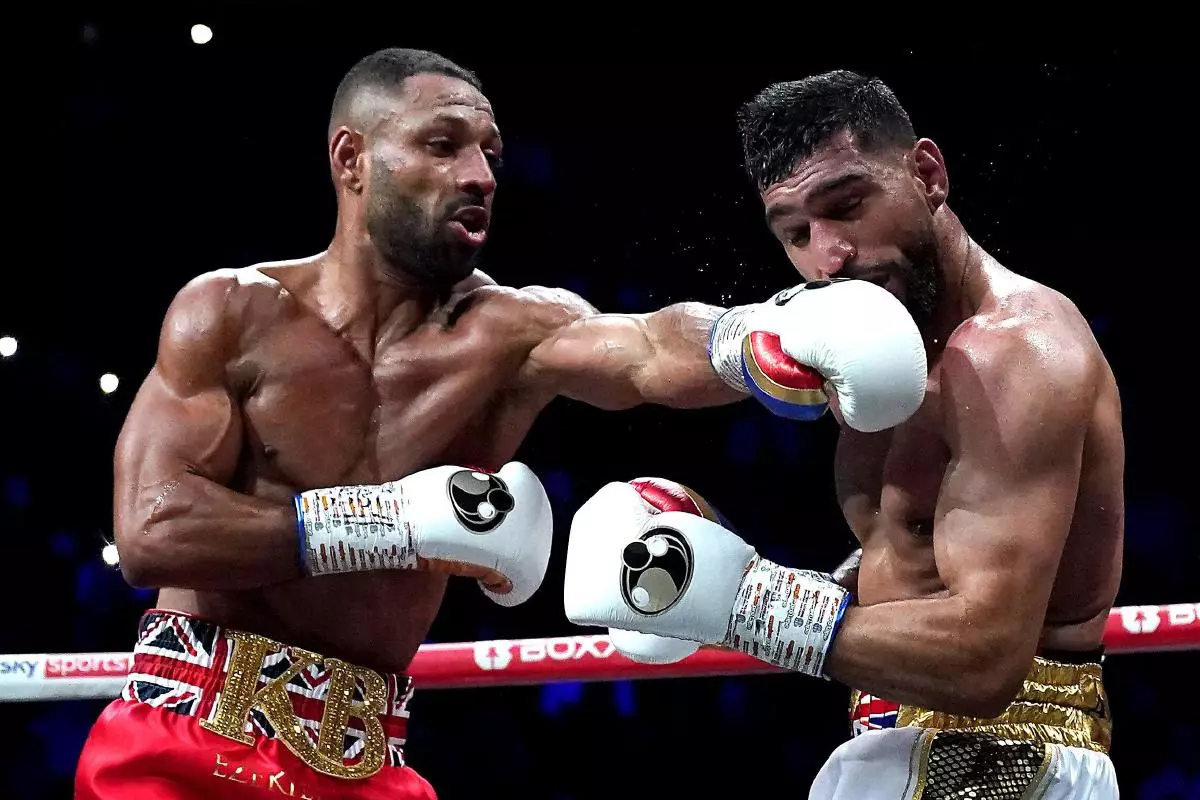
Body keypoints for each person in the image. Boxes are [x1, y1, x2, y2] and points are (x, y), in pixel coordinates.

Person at [73, 51, 926, 799]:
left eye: (491, 153)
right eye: (444, 145)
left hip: (369, 765)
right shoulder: (232, 312)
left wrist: (759, 334)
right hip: (186, 743)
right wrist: (390, 523)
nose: (480, 174)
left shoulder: (510, 333)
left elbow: (646, 347)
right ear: (351, 159)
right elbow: (151, 533)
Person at [564, 69, 1124, 799]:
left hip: (1009, 758)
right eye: (796, 233)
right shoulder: (861, 345)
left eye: (848, 206)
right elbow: (645, 348)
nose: (827, 257)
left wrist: (741, 602)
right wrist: (717, 578)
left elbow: (986, 659)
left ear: (927, 175)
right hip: (889, 740)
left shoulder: (1014, 352)